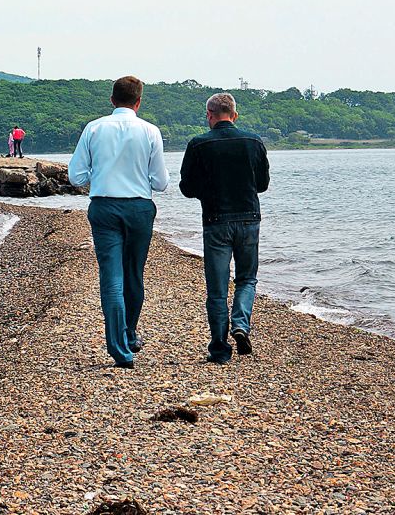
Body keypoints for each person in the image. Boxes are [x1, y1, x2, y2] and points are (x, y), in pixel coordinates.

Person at [67, 76, 168, 368]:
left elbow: (76, 177)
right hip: (139, 207)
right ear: (138, 102)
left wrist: (97, 178)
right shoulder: (150, 131)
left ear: (112, 100)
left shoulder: (94, 128)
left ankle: (119, 348)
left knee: (111, 277)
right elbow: (161, 182)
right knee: (134, 273)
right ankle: (130, 331)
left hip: (104, 206)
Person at [179, 92, 270, 365]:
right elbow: (262, 184)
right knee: (246, 279)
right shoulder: (254, 142)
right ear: (234, 114)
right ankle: (241, 324)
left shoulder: (198, 145)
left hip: (216, 220)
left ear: (209, 115)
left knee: (217, 289)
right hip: (249, 218)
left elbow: (187, 188)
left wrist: (208, 191)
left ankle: (219, 348)